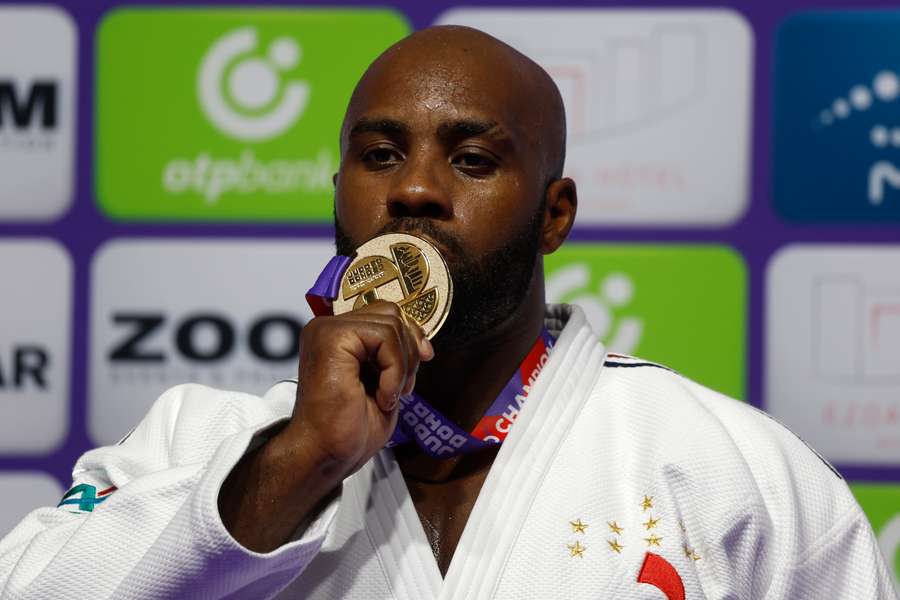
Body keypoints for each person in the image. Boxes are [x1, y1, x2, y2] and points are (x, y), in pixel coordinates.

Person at [0, 25, 895, 600]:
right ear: (337, 192)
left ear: (555, 215)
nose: (416, 190)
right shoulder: (198, 443)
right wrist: (295, 465)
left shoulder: (731, 472)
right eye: (380, 154)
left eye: (472, 161)